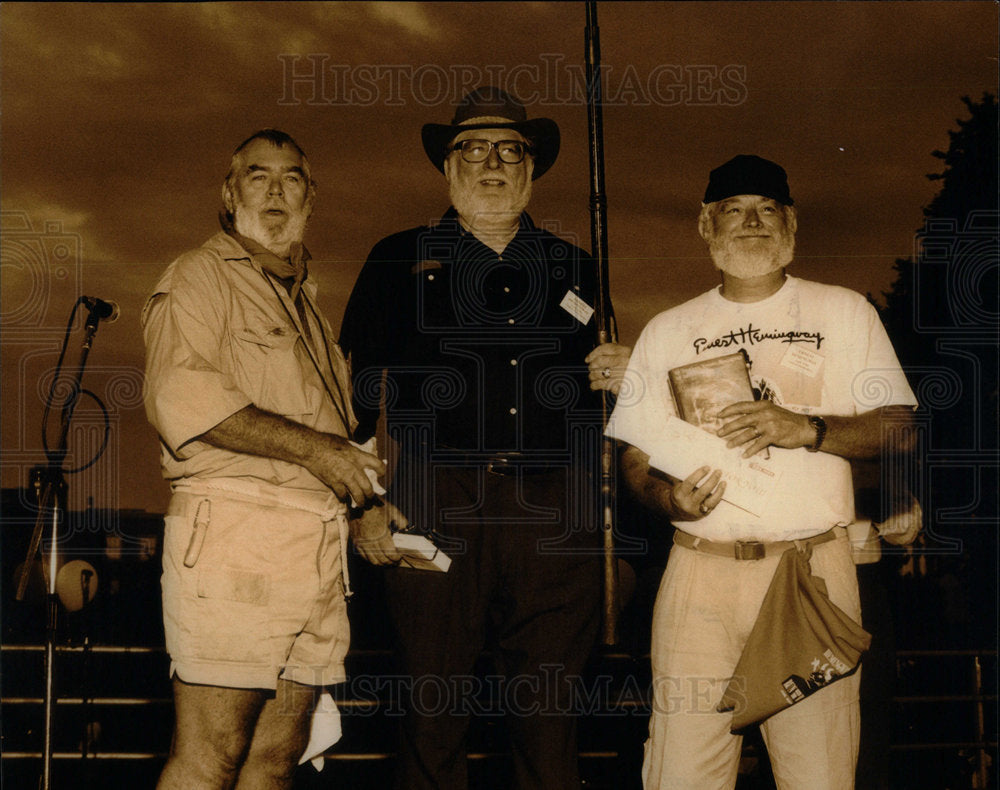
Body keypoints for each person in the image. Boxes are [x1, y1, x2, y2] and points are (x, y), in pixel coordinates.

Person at [339, 86, 629, 790]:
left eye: (510, 150)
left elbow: (616, 408)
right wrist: (361, 506)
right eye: (473, 148)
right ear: (448, 166)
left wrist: (628, 377)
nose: (491, 163)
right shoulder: (395, 259)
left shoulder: (577, 268)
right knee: (432, 712)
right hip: (433, 500)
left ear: (532, 168)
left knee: (550, 719)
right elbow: (347, 398)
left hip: (556, 513)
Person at [605, 154, 917, 789]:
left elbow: (901, 430)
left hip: (809, 575)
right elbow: (634, 461)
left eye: (766, 210)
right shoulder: (667, 329)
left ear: (791, 224)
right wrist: (670, 498)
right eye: (733, 211)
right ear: (705, 225)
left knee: (819, 774)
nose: (751, 223)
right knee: (678, 773)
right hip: (698, 570)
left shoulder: (844, 312)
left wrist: (808, 429)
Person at [142, 129, 403, 790]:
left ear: (312, 198)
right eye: (258, 176)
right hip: (235, 536)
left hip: (314, 550)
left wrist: (363, 503)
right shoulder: (198, 275)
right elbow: (181, 398)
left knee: (274, 758)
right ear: (230, 196)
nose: (276, 190)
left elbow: (336, 436)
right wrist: (322, 451)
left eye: (292, 178)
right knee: (212, 755)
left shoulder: (308, 305)